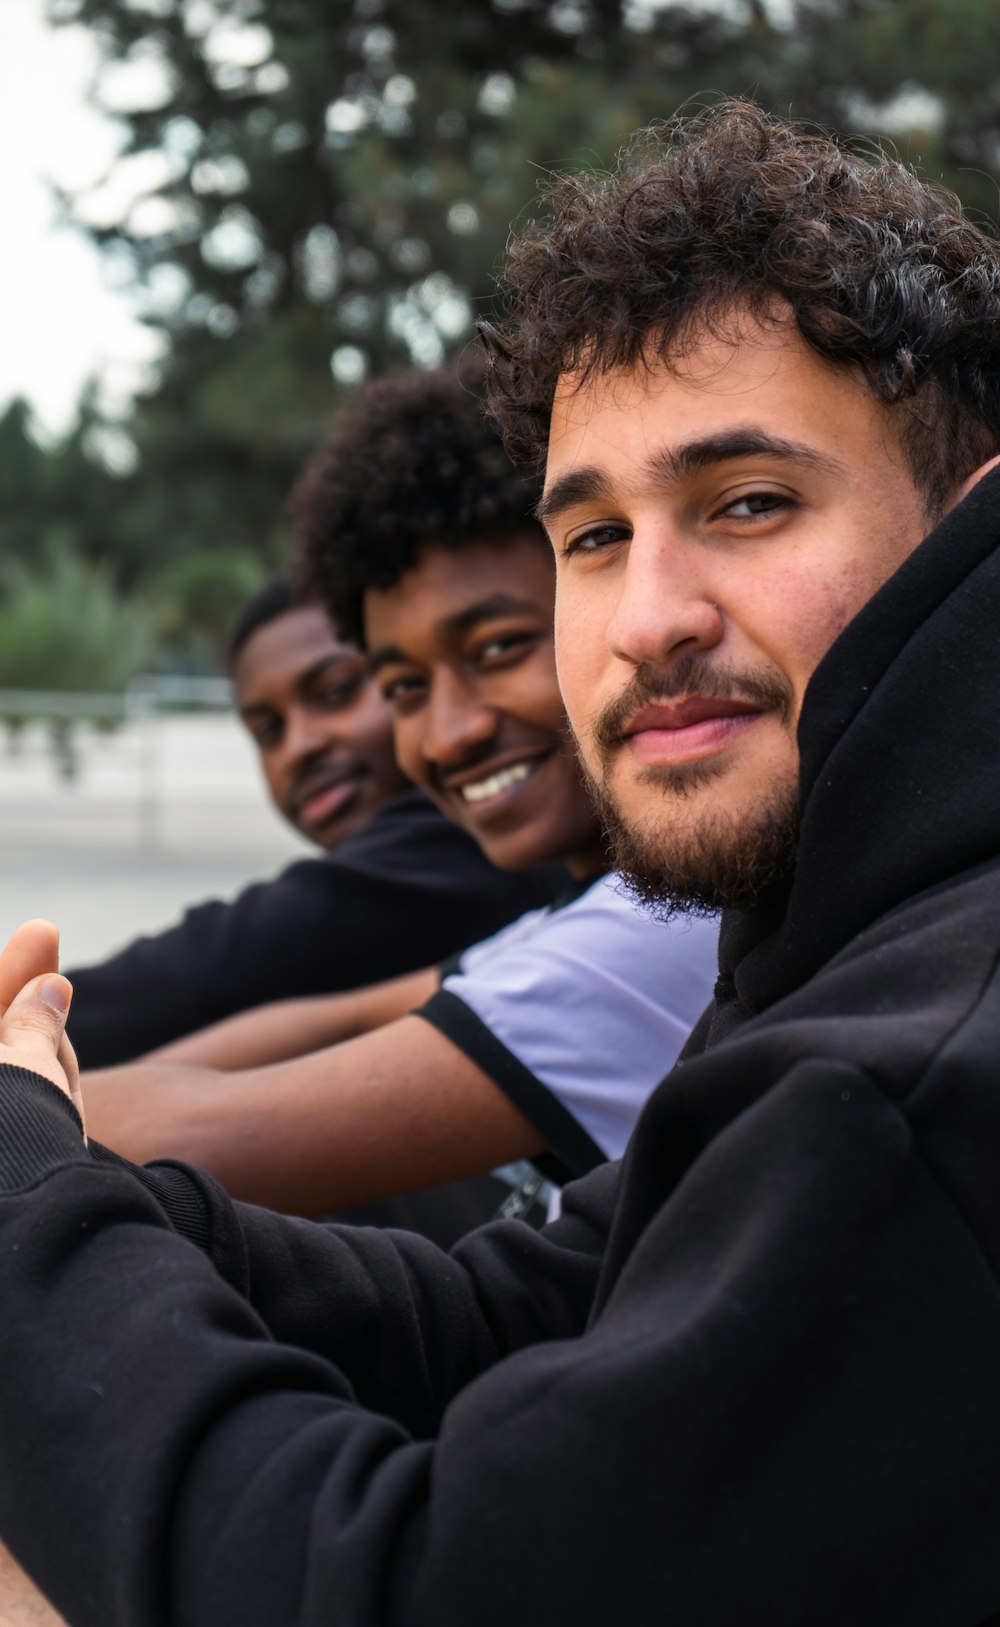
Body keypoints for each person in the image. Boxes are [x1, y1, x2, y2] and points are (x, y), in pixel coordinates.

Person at [3, 99, 1000, 1625]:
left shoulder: (909, 1073)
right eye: (592, 537)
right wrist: (103, 1198)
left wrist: (28, 1201)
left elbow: (403, 1588)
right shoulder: (835, 922)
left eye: (747, 503)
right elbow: (529, 1300)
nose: (647, 613)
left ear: (967, 523)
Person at [79, 364, 718, 1217]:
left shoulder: (669, 923)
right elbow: (338, 1019)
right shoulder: (581, 912)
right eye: (405, 688)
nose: (450, 732)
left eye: (496, 649)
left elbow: (205, 1124)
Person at [64, 472, 566, 1071]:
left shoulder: (491, 843)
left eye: (337, 691)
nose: (299, 746)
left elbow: (222, 966)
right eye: (266, 730)